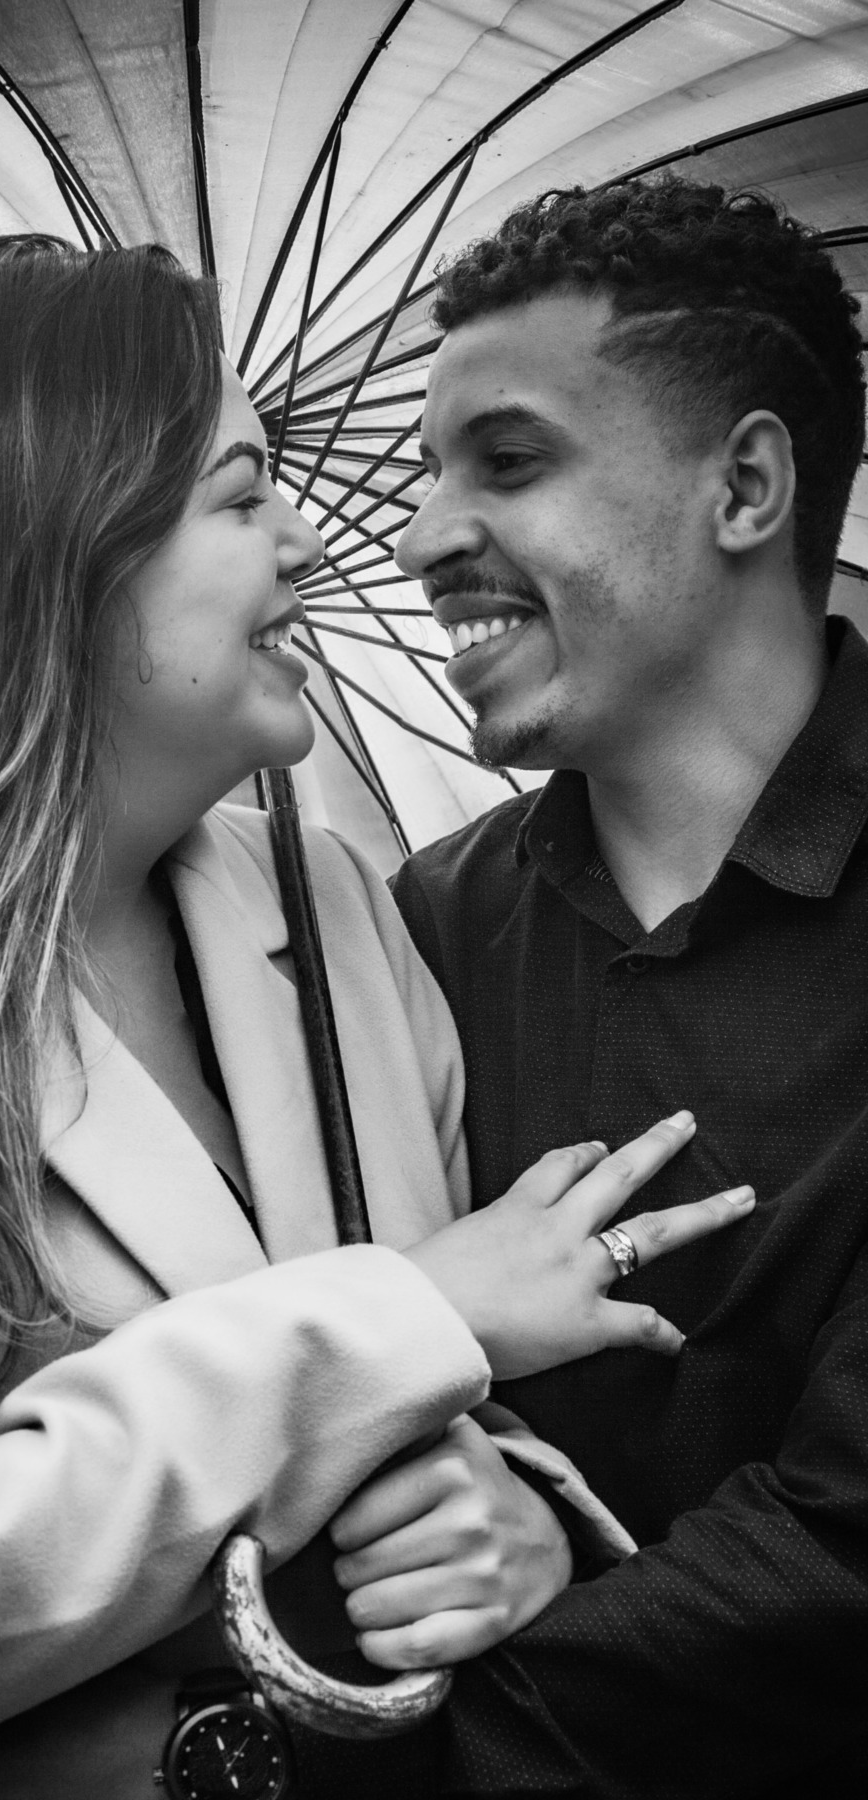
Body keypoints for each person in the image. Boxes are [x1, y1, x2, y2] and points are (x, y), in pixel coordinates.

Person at [0, 235, 747, 1800]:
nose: (307, 544)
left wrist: (517, 1521)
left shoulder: (335, 905)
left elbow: (444, 1403)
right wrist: (412, 1312)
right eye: (242, 499)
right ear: (42, 551)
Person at [378, 177, 868, 1796]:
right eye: (427, 472)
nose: (422, 536)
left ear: (746, 486)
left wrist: (292, 1745)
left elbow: (839, 1565)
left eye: (508, 462)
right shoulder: (415, 930)